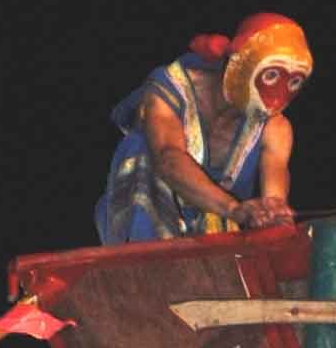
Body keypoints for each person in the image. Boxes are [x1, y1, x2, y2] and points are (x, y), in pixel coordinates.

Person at [96, 15, 309, 243]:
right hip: (148, 222)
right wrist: (233, 208)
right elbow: (168, 158)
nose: (278, 96)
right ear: (242, 65)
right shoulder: (170, 89)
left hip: (212, 234)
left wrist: (273, 213)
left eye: (293, 82)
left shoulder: (275, 127)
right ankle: (142, 253)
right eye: (272, 75)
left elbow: (273, 201)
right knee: (140, 150)